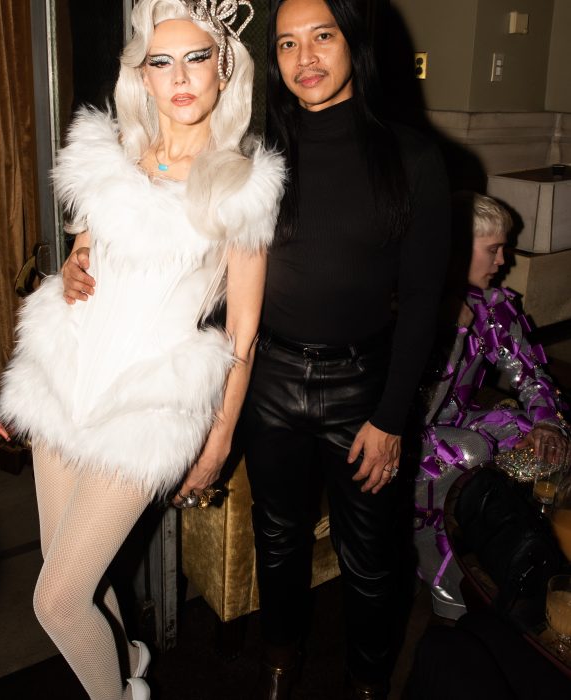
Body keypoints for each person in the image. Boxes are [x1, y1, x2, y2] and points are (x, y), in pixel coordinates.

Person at [64, 1, 451, 697]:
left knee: (370, 557)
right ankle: (279, 662)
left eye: (322, 36)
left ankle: (367, 683)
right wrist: (83, 252)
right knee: (276, 539)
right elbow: (177, 230)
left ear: (353, 43)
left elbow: (424, 299)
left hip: (359, 387)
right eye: (288, 43)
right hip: (270, 375)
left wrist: (392, 415)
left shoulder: (412, 158)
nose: (306, 58)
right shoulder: (255, 153)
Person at [0, 1, 283, 699]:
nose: (179, 77)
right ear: (143, 76)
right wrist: (73, 265)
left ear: (223, 70)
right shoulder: (110, 155)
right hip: (66, 378)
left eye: (196, 58)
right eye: (162, 62)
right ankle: (129, 665)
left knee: (56, 600)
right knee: (77, 580)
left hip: (148, 406)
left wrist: (217, 443)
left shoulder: (243, 184)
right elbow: (82, 261)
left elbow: (242, 333)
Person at [414, 191, 569, 620]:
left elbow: (531, 374)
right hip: (401, 445)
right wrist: (455, 331)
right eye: (493, 249)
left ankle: (521, 544)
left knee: (536, 434)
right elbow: (415, 409)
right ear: (456, 251)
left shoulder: (494, 309)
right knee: (471, 449)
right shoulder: (413, 308)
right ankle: (435, 559)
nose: (503, 261)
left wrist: (547, 425)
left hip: (456, 427)